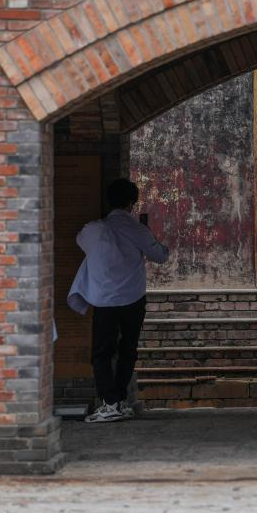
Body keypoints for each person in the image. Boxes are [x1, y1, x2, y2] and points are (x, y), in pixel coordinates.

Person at [67, 178, 169, 423]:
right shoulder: (137, 229)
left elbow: (81, 242)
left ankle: (110, 403)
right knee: (128, 350)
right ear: (131, 203)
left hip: (104, 300)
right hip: (133, 299)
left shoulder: (93, 229)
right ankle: (119, 400)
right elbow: (160, 256)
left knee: (102, 353)